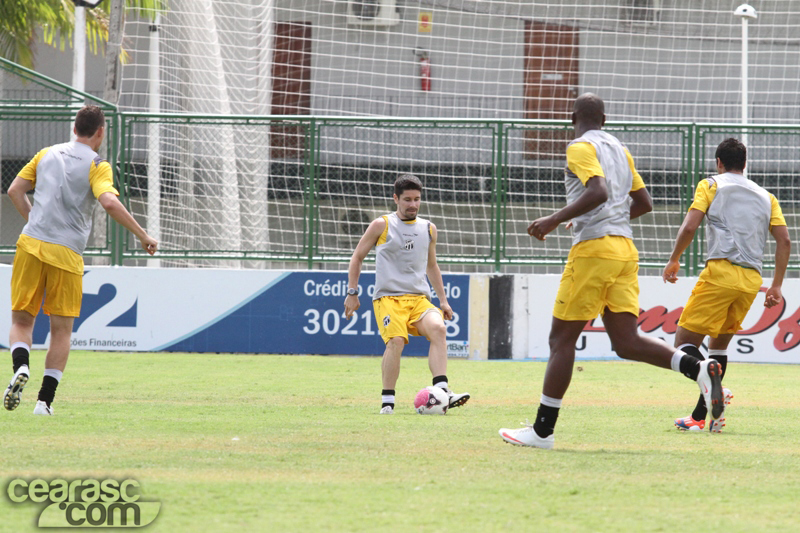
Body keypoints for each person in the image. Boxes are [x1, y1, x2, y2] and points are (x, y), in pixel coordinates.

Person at [498, 93, 723, 449]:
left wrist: (555, 219)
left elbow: (598, 191)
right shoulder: (621, 149)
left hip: (594, 252)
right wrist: (600, 219)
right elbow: (644, 203)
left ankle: (542, 431)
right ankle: (697, 369)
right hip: (625, 250)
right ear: (604, 118)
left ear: (573, 118)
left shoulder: (578, 147)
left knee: (561, 340)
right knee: (626, 342)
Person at [2, 105, 158, 416]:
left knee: (22, 322)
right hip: (67, 253)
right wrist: (142, 234)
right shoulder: (98, 164)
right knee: (60, 331)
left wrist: (34, 220)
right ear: (100, 132)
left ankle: (21, 367)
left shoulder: (46, 153)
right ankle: (44, 402)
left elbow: (15, 190)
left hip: (31, 245)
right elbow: (109, 202)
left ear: (75, 128)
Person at [662, 138, 790, 432]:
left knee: (684, 344)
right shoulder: (766, 196)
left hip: (720, 272)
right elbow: (784, 240)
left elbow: (690, 225)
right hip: (750, 281)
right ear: (744, 164)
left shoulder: (711, 184)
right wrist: (776, 286)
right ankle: (700, 418)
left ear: (719, 162)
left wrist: (674, 259)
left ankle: (710, 381)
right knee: (717, 350)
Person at [344, 174, 470, 414]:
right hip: (388, 298)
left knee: (439, 329)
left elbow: (432, 266)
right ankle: (388, 403)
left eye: (417, 199)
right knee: (396, 341)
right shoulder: (382, 225)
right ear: (396, 199)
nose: (413, 204)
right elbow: (357, 257)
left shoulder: (429, 229)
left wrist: (443, 300)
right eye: (407, 199)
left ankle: (443, 392)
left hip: (418, 299)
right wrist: (352, 292)